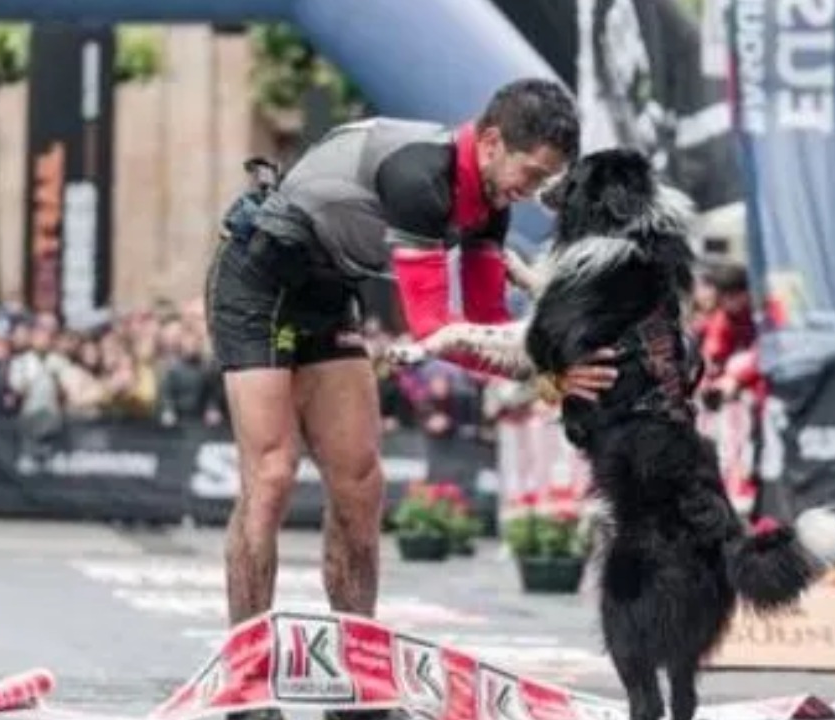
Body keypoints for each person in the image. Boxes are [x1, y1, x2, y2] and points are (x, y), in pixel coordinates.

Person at [204, 78, 617, 718]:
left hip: (323, 291)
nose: (532, 193)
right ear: (490, 142)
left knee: (360, 480)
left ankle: (358, 679)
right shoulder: (421, 178)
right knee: (273, 475)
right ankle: (247, 681)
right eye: (530, 174)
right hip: (255, 282)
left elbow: (484, 324)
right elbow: (438, 335)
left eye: (546, 183)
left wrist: (553, 368)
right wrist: (552, 372)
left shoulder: (491, 200)